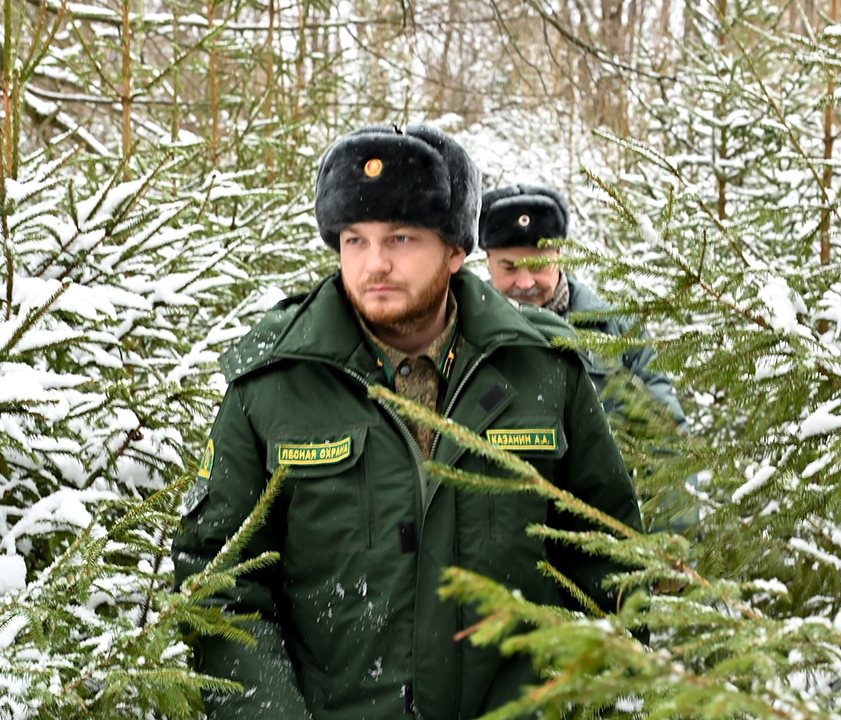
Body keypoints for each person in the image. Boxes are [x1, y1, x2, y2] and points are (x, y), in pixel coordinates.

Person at [172, 124, 644, 720]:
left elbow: (612, 558)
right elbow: (218, 582)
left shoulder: (543, 371)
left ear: (454, 249)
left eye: (400, 238)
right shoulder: (275, 382)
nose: (375, 264)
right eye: (354, 240)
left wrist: (580, 698)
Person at [479, 183, 698, 530]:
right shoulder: (463, 332)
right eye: (509, 267)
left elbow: (665, 436)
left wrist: (672, 542)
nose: (524, 282)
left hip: (598, 547)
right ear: (488, 260)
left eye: (537, 266)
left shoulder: (615, 329)